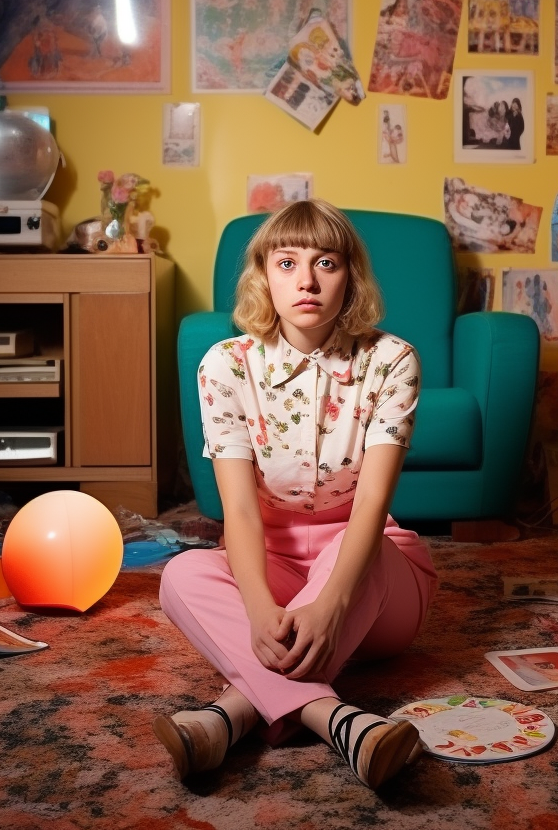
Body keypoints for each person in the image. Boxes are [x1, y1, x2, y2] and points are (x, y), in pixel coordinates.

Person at [154, 199, 438, 790]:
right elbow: (238, 511)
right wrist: (258, 609)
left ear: (349, 277)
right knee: (182, 575)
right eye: (287, 263)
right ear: (263, 275)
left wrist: (330, 604)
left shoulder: (392, 361)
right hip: (274, 565)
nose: (306, 280)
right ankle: (340, 721)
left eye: (326, 262)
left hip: (374, 570)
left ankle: (227, 717)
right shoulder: (225, 366)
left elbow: (369, 509)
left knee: (358, 552)